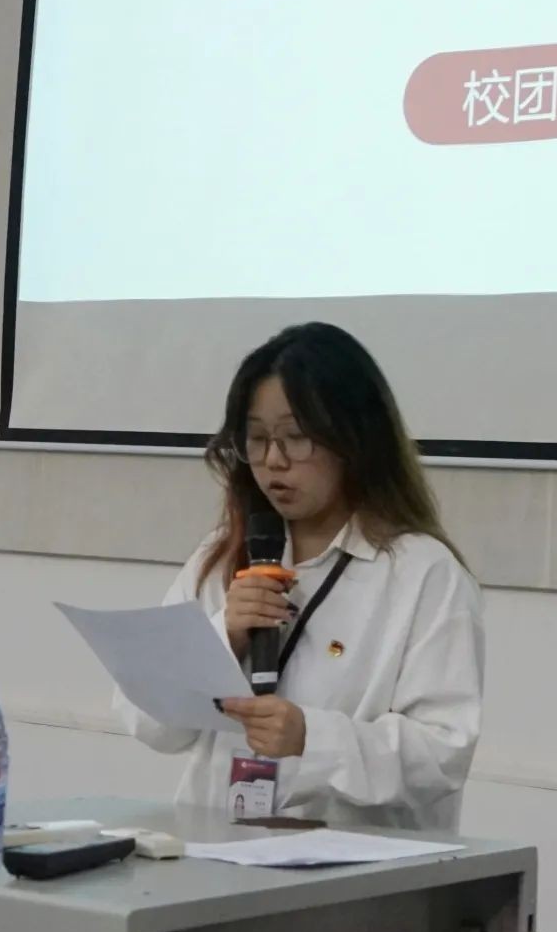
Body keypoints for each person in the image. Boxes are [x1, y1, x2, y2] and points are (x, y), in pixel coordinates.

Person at [114, 322, 484, 831]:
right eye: (258, 438)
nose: (274, 461)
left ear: (355, 440)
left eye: (296, 438)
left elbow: (443, 752)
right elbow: (147, 723)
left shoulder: (422, 573)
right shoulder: (223, 555)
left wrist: (312, 737)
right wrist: (225, 635)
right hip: (217, 847)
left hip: (357, 861)